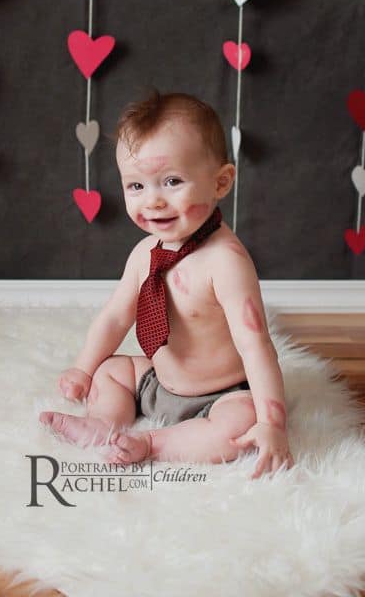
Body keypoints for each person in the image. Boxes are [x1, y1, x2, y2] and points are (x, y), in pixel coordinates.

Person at [40, 89, 294, 478]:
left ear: (221, 182)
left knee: (242, 421)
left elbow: (255, 344)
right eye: (136, 186)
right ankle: (103, 425)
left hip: (219, 395)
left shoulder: (225, 261)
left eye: (171, 181)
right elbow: (114, 318)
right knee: (112, 371)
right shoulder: (145, 253)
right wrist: (83, 368)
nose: (152, 201)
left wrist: (272, 424)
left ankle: (153, 444)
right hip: (157, 383)